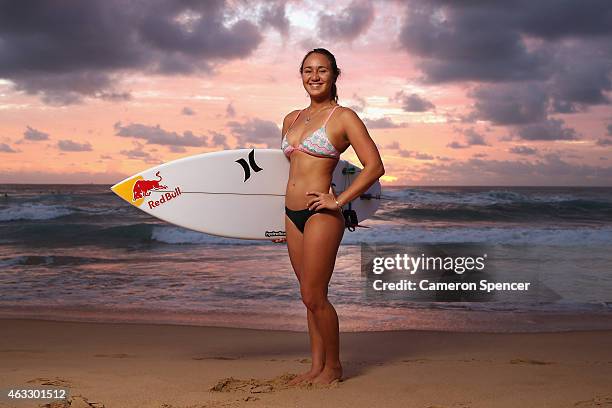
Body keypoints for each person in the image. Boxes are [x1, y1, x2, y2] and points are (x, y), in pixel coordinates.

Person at [272, 48, 384, 385]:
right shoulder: (291, 118)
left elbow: (375, 167)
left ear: (335, 74)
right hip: (291, 214)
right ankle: (315, 366)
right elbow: (286, 172)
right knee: (306, 295)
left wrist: (339, 201)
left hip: (321, 213)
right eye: (308, 70)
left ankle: (333, 367)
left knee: (314, 295)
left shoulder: (343, 117)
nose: (314, 76)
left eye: (322, 70)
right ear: (301, 75)